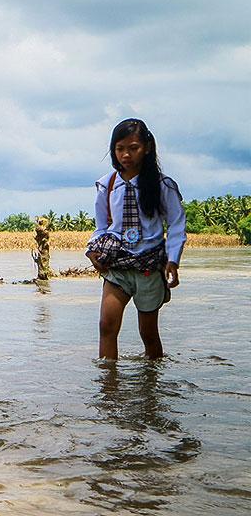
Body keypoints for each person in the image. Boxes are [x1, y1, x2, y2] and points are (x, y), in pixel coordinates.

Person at [86, 118, 186, 360]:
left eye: (133, 148)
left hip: (149, 267)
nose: (126, 155)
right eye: (120, 149)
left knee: (148, 334)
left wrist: (173, 260)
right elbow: (102, 227)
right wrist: (91, 250)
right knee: (106, 326)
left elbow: (176, 224)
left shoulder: (162, 185)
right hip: (117, 265)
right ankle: (109, 392)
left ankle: (152, 390)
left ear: (147, 148)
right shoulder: (107, 185)